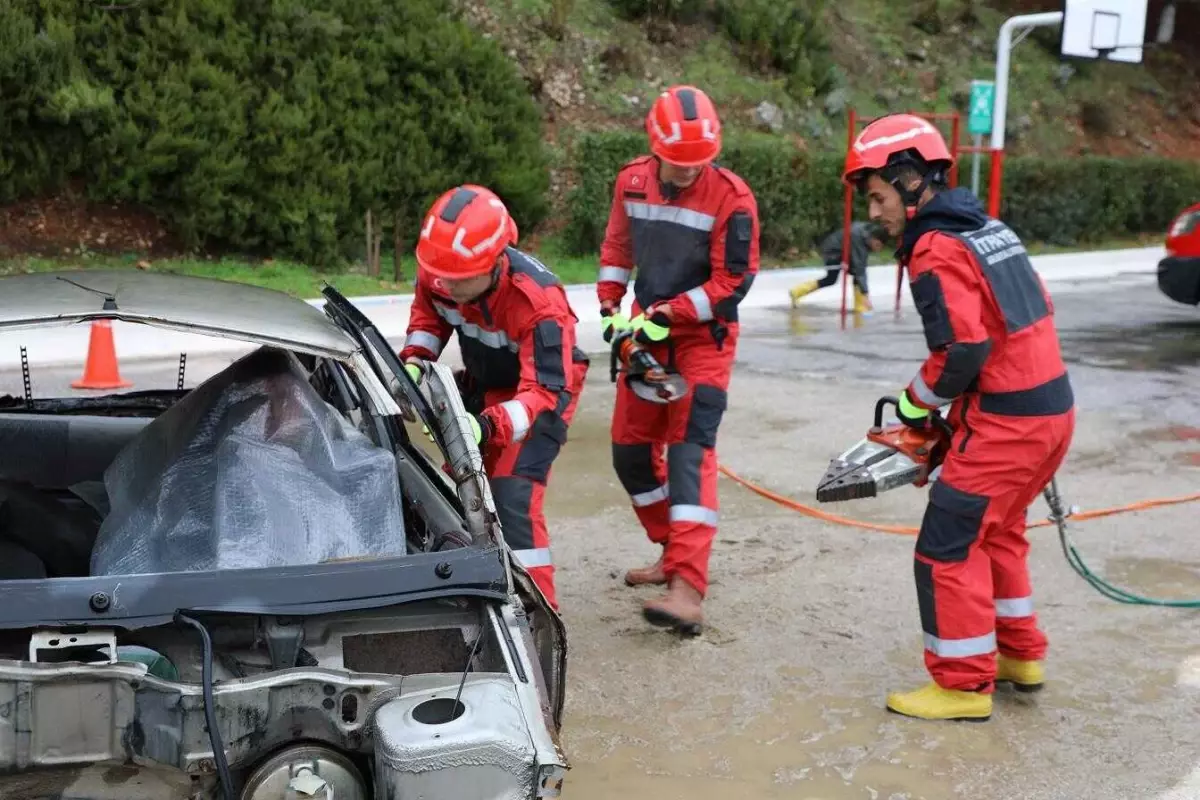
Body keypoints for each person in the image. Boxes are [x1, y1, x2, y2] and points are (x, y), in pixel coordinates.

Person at [842, 113, 1075, 721]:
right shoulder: (989, 229)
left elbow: (963, 349)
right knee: (998, 533)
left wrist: (917, 407)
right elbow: (1018, 324)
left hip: (1008, 424)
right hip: (1048, 412)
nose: (876, 210)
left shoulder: (934, 247)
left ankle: (962, 685)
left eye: (879, 195)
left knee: (945, 545)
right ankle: (1020, 657)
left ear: (911, 178)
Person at [596, 85, 761, 634]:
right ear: (655, 148)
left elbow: (733, 281)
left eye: (700, 164)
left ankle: (687, 587)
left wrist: (672, 312)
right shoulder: (632, 182)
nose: (690, 173)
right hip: (647, 334)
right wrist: (609, 309)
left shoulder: (732, 198)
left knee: (689, 455)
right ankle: (671, 550)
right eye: (680, 164)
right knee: (630, 454)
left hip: (702, 341)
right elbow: (618, 250)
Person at [399, 184, 590, 612]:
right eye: (439, 275)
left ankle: (538, 615)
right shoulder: (445, 271)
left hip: (543, 391)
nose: (445, 286)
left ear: (494, 262)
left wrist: (486, 426)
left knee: (511, 495)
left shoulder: (540, 303)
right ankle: (487, 585)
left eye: (457, 280)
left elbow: (542, 390)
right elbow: (429, 316)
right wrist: (414, 360)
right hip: (487, 383)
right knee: (469, 490)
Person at [788, 221, 888, 314]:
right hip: (833, 252)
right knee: (834, 278)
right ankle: (796, 291)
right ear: (873, 238)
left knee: (852, 274)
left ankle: (860, 305)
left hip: (841, 250)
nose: (877, 250)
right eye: (877, 245)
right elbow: (860, 269)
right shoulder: (858, 238)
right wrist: (866, 296)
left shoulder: (866, 232)